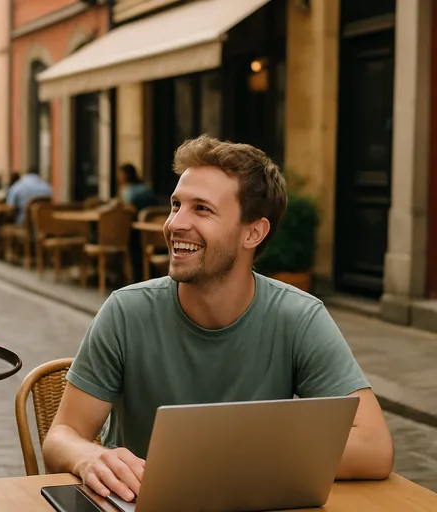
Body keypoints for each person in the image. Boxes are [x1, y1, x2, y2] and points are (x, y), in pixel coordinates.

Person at [42, 135, 394, 503]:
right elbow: (61, 436)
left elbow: (374, 447)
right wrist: (89, 456)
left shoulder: (298, 317)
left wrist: (229, 460)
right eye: (176, 205)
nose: (175, 223)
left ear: (253, 233)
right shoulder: (126, 311)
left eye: (202, 209)